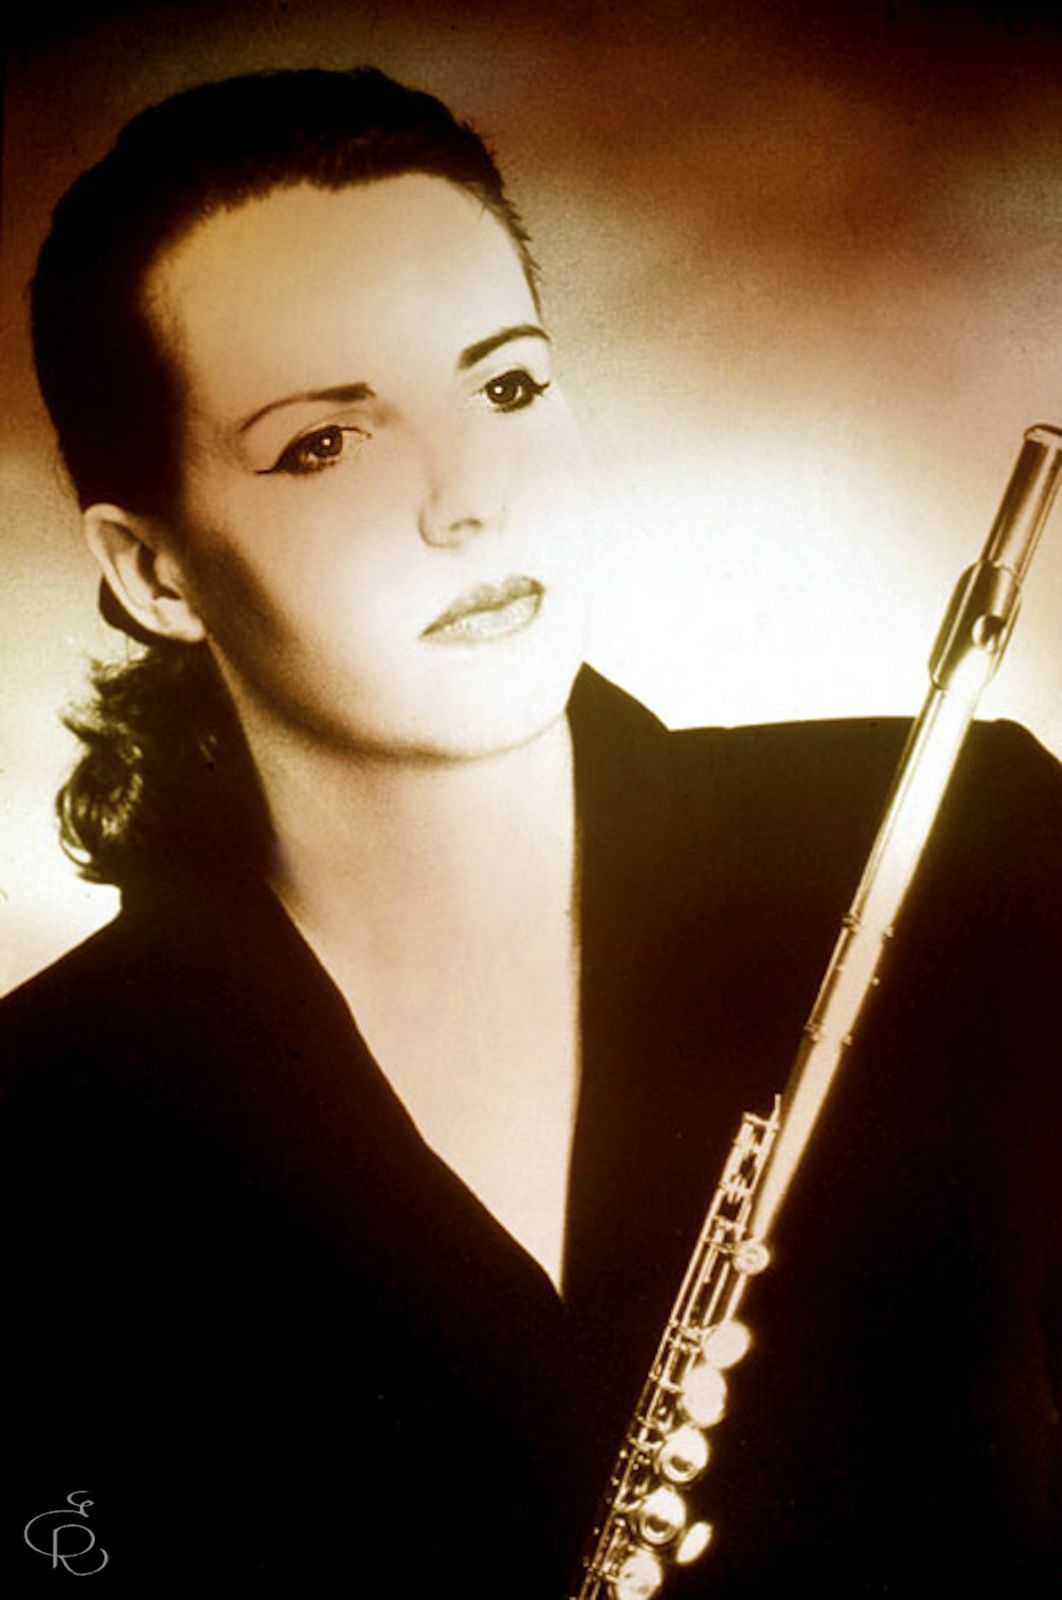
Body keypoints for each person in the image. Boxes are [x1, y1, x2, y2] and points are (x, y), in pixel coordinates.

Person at [3, 66, 1061, 1596]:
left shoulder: (980, 847)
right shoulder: (40, 1136)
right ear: (152, 573)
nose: (469, 503)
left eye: (503, 388)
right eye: (323, 443)